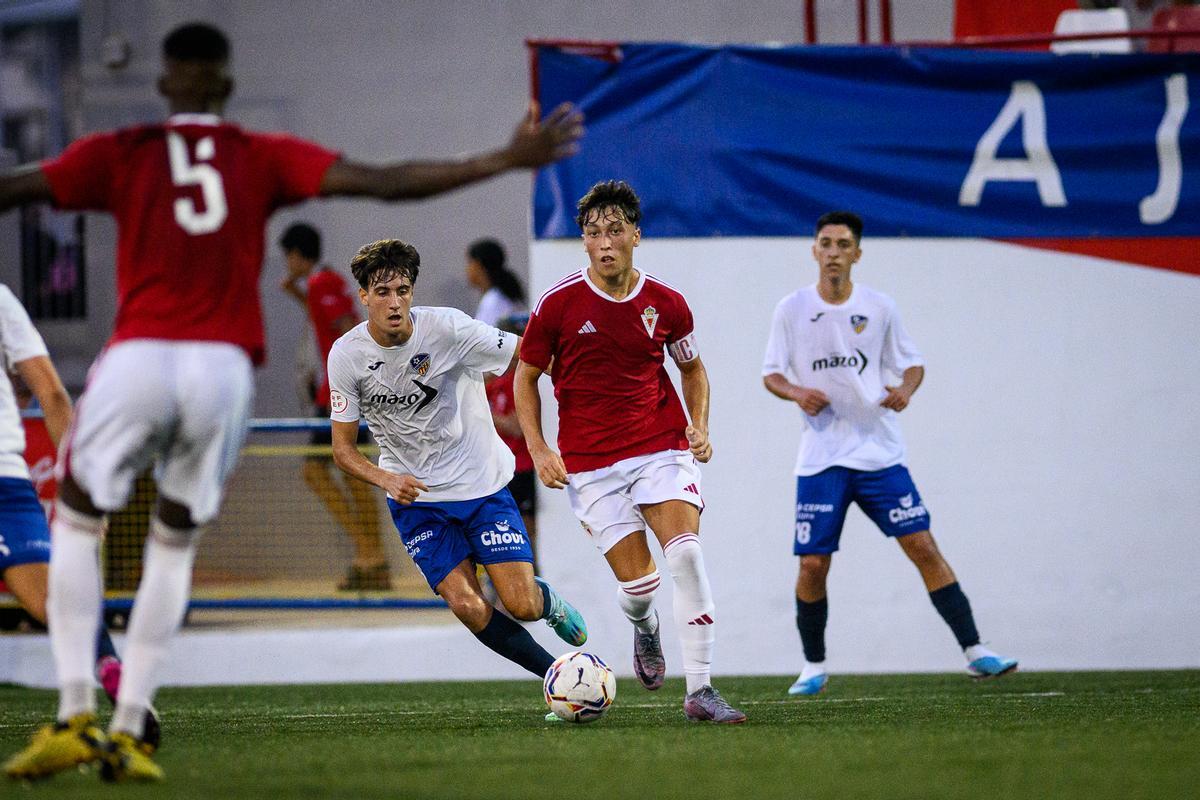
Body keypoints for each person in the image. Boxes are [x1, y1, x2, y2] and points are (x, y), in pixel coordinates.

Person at [0, 22, 582, 782]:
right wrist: (505, 160)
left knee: (76, 522)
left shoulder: (123, 150)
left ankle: (80, 709)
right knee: (174, 540)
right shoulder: (256, 154)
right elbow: (385, 179)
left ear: (167, 82)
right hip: (225, 369)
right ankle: (133, 722)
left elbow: (17, 188)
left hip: (142, 353)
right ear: (227, 85)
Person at [514, 180, 746, 724]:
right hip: (590, 464)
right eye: (593, 233)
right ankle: (645, 627)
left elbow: (692, 367)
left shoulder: (666, 303)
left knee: (685, 554)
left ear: (636, 235)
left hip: (659, 446)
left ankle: (701, 691)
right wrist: (540, 448)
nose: (604, 242)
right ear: (584, 242)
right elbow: (525, 380)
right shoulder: (557, 305)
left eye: (615, 230)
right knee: (639, 585)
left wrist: (700, 426)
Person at [761, 210, 1018, 696]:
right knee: (812, 564)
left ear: (857, 253)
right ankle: (812, 665)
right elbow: (771, 373)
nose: (833, 252)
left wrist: (906, 389)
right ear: (813, 250)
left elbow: (913, 364)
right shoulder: (791, 309)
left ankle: (975, 650)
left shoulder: (880, 308)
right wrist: (797, 392)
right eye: (825, 243)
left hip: (880, 453)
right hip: (822, 458)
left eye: (843, 244)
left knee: (922, 546)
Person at [326, 240, 586, 687]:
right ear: (363, 296)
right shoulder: (346, 356)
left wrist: (582, 401)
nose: (394, 302)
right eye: (382, 292)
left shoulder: (449, 329)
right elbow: (343, 450)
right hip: (417, 499)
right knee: (466, 604)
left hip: (480, 484)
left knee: (521, 604)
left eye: (403, 290)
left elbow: (531, 355)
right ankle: (556, 677)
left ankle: (549, 602)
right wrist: (386, 477)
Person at [0, 284, 160, 746]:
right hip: (7, 482)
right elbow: (50, 394)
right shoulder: (4, 300)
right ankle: (114, 676)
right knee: (58, 605)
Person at [279, 222, 390, 591]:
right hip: (342, 391)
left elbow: (346, 325)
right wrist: (295, 291)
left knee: (316, 472)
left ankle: (369, 553)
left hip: (336, 393)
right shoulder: (324, 282)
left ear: (297, 255)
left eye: (287, 257)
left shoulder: (320, 283)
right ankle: (374, 563)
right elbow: (326, 318)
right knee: (353, 473)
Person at [486, 313, 539, 572]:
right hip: (502, 471)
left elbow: (517, 427)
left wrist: (486, 416)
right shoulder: (493, 384)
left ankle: (531, 574)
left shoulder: (516, 382)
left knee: (526, 531)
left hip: (524, 468)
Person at [466, 238, 526, 326]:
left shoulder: (493, 301)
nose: (467, 269)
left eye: (469, 263)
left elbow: (485, 337)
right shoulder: (503, 295)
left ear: (477, 265)